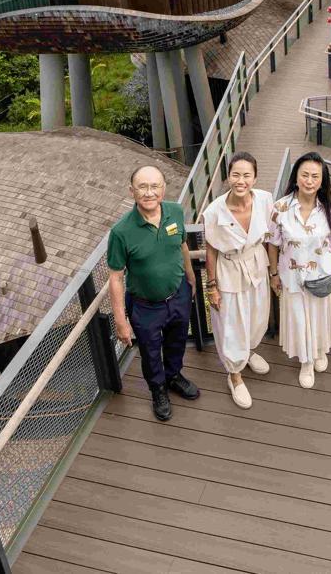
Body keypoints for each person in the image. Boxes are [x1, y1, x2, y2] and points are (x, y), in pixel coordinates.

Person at [108, 164, 200, 423]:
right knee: (149, 351)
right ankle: (158, 389)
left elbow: (182, 244)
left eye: (155, 186)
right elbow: (115, 277)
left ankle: (174, 375)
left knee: (177, 340)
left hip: (178, 294)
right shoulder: (121, 232)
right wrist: (120, 320)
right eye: (142, 187)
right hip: (146, 305)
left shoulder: (175, 211)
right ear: (132, 191)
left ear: (163, 188)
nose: (149, 192)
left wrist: (191, 278)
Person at [201, 152, 274, 409]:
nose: (240, 180)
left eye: (246, 175)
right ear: (228, 176)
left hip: (256, 265)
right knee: (231, 323)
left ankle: (249, 351)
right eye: (235, 174)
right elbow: (210, 249)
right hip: (229, 270)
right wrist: (212, 286)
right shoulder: (214, 212)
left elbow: (272, 233)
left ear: (254, 178)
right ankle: (234, 374)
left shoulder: (265, 200)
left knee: (257, 317)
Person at [267, 152, 331, 389]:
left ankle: (320, 350)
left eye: (315, 176)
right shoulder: (280, 208)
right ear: (296, 177)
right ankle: (307, 362)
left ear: (322, 180)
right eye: (305, 175)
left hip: (322, 276)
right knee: (300, 319)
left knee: (320, 316)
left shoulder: (330, 209)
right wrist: (274, 274)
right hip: (293, 277)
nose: (309, 181)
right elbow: (273, 244)